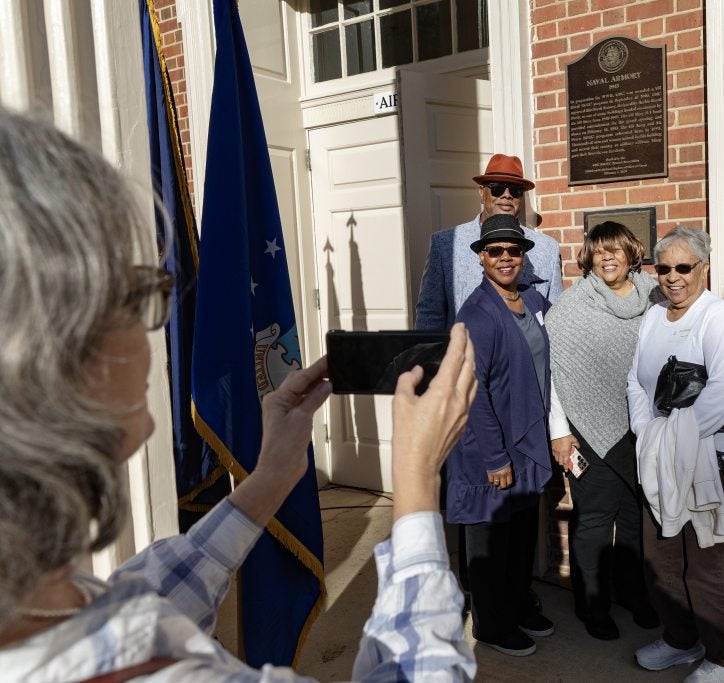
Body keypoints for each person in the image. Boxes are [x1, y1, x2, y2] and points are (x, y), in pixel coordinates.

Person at [0, 109, 477, 682]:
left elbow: (131, 605)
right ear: (59, 353)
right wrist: (419, 486)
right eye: (137, 292)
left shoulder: (35, 605)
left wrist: (270, 478)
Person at [627, 226, 724, 683]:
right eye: (664, 268)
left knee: (705, 560)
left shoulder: (716, 315)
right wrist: (648, 431)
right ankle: (681, 639)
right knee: (661, 556)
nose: (673, 277)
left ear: (704, 268)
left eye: (684, 267)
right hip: (659, 451)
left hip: (707, 459)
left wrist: (677, 436)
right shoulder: (655, 315)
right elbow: (636, 381)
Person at [445, 213, 555, 657]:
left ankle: (515, 605)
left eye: (513, 250)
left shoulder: (531, 300)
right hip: (489, 446)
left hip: (525, 438)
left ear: (523, 255)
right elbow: (471, 392)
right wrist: (495, 458)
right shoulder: (477, 314)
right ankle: (492, 624)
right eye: (495, 251)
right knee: (490, 541)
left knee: (521, 535)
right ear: (481, 258)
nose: (505, 258)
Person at [545, 222, 661, 641]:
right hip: (585, 430)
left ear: (632, 253)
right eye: (599, 251)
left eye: (616, 250)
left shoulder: (655, 295)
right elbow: (553, 374)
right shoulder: (573, 306)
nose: (608, 258)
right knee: (594, 518)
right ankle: (591, 604)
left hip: (642, 425)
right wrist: (559, 432)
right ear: (590, 258)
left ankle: (631, 593)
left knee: (635, 517)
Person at [414, 153, 563, 330]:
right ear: (481, 192)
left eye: (515, 190)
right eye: (497, 188)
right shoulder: (445, 244)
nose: (507, 195)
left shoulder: (547, 249)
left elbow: (556, 319)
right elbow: (430, 315)